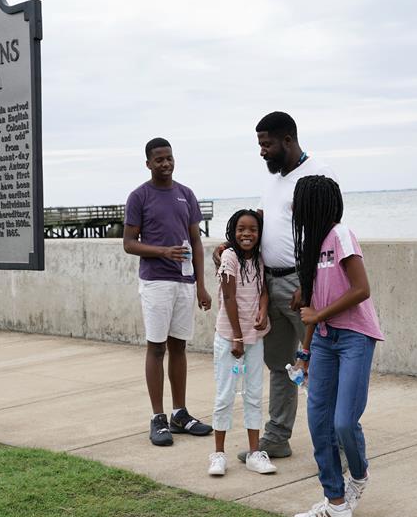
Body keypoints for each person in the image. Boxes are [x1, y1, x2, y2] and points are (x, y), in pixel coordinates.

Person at [214, 112, 338, 462]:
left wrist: (309, 281)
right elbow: (260, 222)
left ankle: (335, 447)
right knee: (280, 366)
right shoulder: (274, 180)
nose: (262, 151)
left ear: (287, 140)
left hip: (302, 283)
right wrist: (229, 246)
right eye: (260, 144)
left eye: (266, 144)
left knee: (317, 365)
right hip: (268, 283)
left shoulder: (318, 173)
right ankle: (277, 438)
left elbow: (326, 233)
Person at [288, 175, 384, 517]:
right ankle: (336, 503)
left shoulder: (341, 235)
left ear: (314, 204)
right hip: (324, 341)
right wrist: (304, 351)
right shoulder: (309, 246)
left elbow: (361, 289)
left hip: (354, 336)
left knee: (344, 422)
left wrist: (318, 314)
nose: (294, 208)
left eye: (298, 202)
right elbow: (312, 306)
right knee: (318, 421)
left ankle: (358, 475)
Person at [124, 137, 213, 447]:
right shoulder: (139, 196)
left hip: (184, 281)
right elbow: (129, 243)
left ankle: (179, 414)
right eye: (159, 159)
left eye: (169, 158)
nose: (165, 163)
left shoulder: (186, 195)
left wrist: (201, 285)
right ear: (148, 163)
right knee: (157, 348)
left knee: (179, 348)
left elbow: (196, 241)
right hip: (156, 282)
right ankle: (157, 418)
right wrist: (163, 252)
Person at [208, 209, 276, 476]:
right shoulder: (229, 257)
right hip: (230, 337)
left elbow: (263, 290)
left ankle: (254, 453)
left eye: (253, 229)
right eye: (241, 229)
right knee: (225, 395)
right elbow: (228, 297)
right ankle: (218, 454)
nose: (247, 234)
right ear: (232, 232)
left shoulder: (259, 258)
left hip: (254, 338)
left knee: (254, 394)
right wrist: (237, 336)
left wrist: (263, 310)